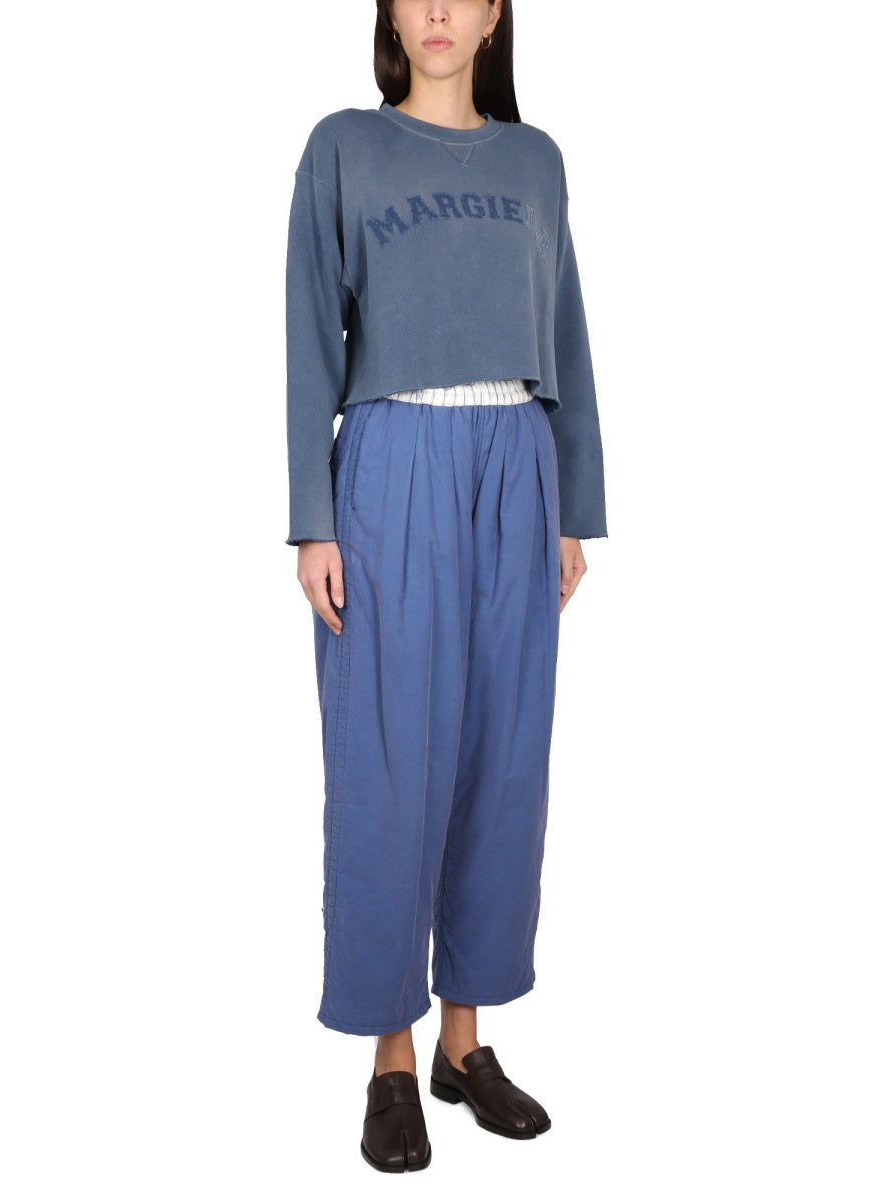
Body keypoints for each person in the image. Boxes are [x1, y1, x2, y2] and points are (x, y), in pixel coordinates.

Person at [284, 0, 608, 1173]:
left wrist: (573, 508)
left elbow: (566, 335)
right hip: (391, 462)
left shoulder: (536, 161)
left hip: (516, 460)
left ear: (493, 15)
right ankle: (392, 1056)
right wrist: (312, 522)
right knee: (389, 761)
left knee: (501, 754)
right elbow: (308, 337)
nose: (436, 10)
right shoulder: (344, 147)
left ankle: (465, 1047)